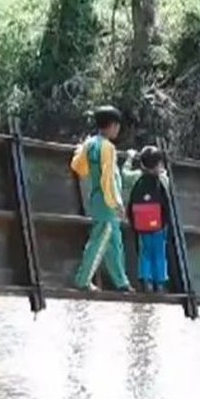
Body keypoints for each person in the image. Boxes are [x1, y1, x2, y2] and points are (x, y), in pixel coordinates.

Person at [70, 105, 132, 292]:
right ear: (112, 125)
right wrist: (117, 204)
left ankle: (122, 282)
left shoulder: (89, 144)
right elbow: (108, 179)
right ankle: (82, 281)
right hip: (107, 203)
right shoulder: (107, 147)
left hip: (97, 198)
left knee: (114, 242)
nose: (118, 129)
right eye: (117, 126)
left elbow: (78, 166)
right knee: (99, 241)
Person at [122, 146, 170, 292]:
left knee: (145, 252)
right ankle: (160, 282)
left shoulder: (136, 176)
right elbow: (167, 189)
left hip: (141, 224)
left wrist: (129, 159)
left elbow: (124, 175)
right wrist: (164, 172)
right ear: (158, 165)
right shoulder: (162, 179)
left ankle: (146, 280)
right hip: (158, 224)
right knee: (159, 253)